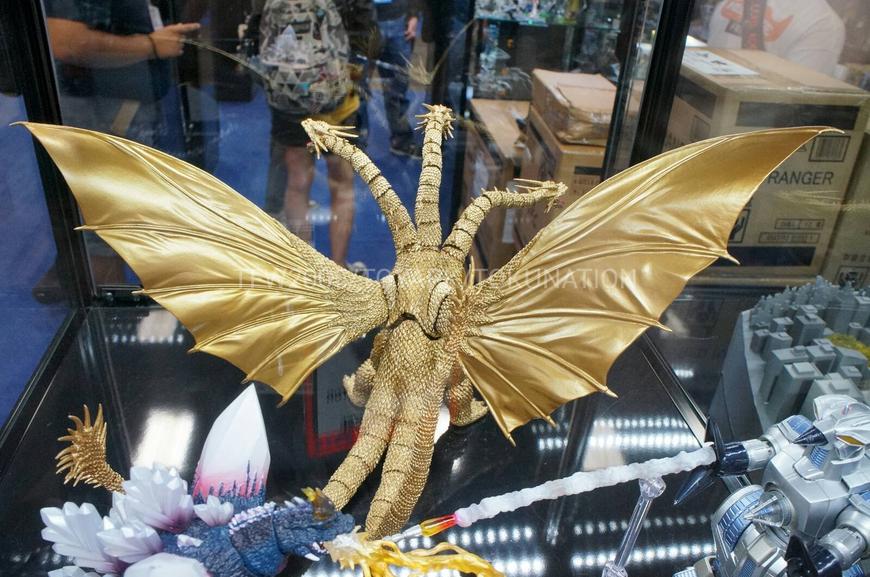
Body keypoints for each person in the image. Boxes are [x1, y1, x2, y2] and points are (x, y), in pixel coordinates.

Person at [38, 0, 199, 288]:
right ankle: (108, 303)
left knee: (124, 214)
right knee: (106, 227)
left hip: (123, 105)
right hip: (102, 109)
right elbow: (66, 41)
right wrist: (150, 46)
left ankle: (85, 278)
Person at [257, 0, 374, 270]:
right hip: (338, 93)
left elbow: (259, 27)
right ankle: (339, 268)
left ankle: (307, 271)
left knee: (297, 180)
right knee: (341, 182)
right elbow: (363, 24)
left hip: (289, 95)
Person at [707, 0, 845, 76]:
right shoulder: (826, 24)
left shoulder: (823, 23)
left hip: (705, 99)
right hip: (741, 114)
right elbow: (798, 103)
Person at [374, 0, 421, 158]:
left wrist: (413, 14)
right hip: (362, 23)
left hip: (398, 20)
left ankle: (401, 139)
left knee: (398, 85)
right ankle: (354, 144)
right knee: (357, 88)